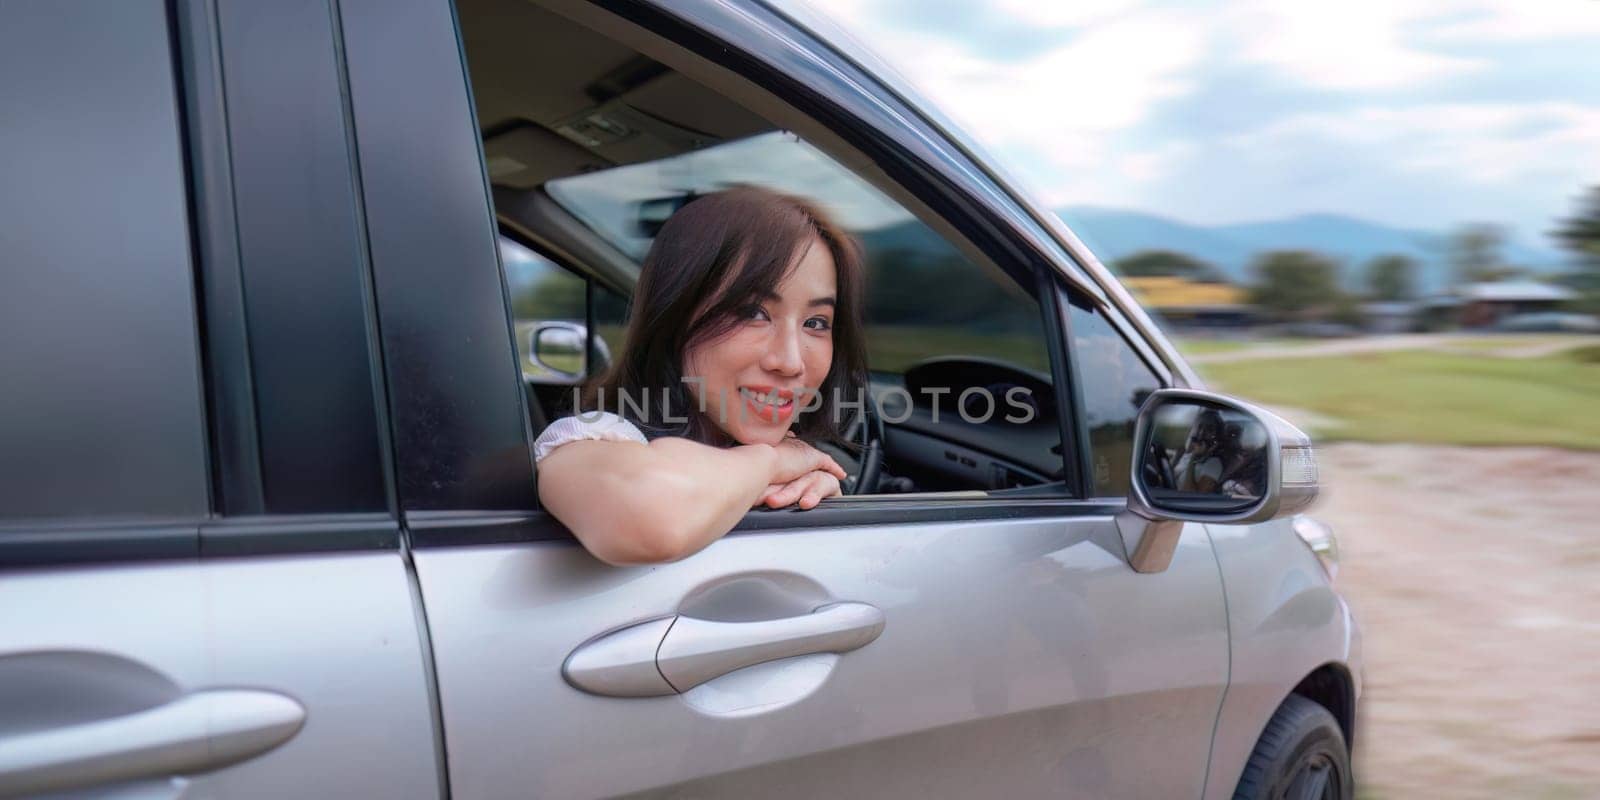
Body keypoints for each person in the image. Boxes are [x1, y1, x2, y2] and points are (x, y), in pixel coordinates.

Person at [533, 186, 868, 565]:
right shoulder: (590, 440)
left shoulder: (768, 463)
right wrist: (771, 463)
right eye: (752, 313)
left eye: (816, 322)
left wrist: (817, 507)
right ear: (676, 317)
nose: (790, 362)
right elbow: (649, 519)